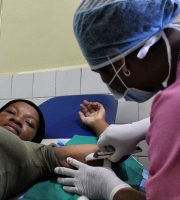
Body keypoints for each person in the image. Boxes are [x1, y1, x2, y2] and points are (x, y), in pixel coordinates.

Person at [55, 0, 180, 199]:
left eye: (101, 70)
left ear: (119, 59)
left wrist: (112, 189)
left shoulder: (173, 106)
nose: (108, 82)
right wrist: (147, 126)